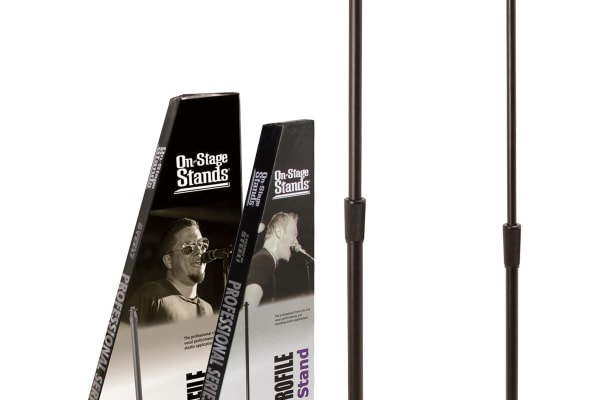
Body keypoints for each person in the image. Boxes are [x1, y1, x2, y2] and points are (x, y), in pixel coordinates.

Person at [126, 218, 214, 324]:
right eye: (188, 247)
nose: (199, 251)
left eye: (201, 245)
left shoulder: (208, 309)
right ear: (168, 261)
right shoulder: (150, 295)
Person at [244, 212, 299, 306]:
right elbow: (248, 310)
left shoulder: (265, 259)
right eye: (294, 234)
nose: (296, 242)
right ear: (279, 231)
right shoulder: (264, 261)